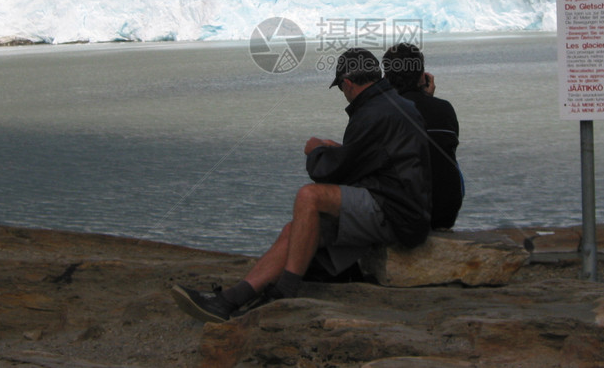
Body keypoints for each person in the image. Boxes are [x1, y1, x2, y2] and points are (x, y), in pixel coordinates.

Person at [171, 47, 431, 322]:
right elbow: (377, 160)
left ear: (348, 83)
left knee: (310, 197)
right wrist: (340, 150)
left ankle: (285, 291)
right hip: (402, 206)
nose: (344, 93)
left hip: (396, 212)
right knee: (295, 230)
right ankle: (228, 301)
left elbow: (334, 173)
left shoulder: (372, 113)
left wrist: (317, 151)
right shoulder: (391, 104)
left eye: (342, 88)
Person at [382, 43, 463, 230]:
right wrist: (429, 99)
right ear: (422, 76)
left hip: (405, 218)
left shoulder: (383, 112)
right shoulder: (445, 109)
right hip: (445, 214)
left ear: (386, 77)